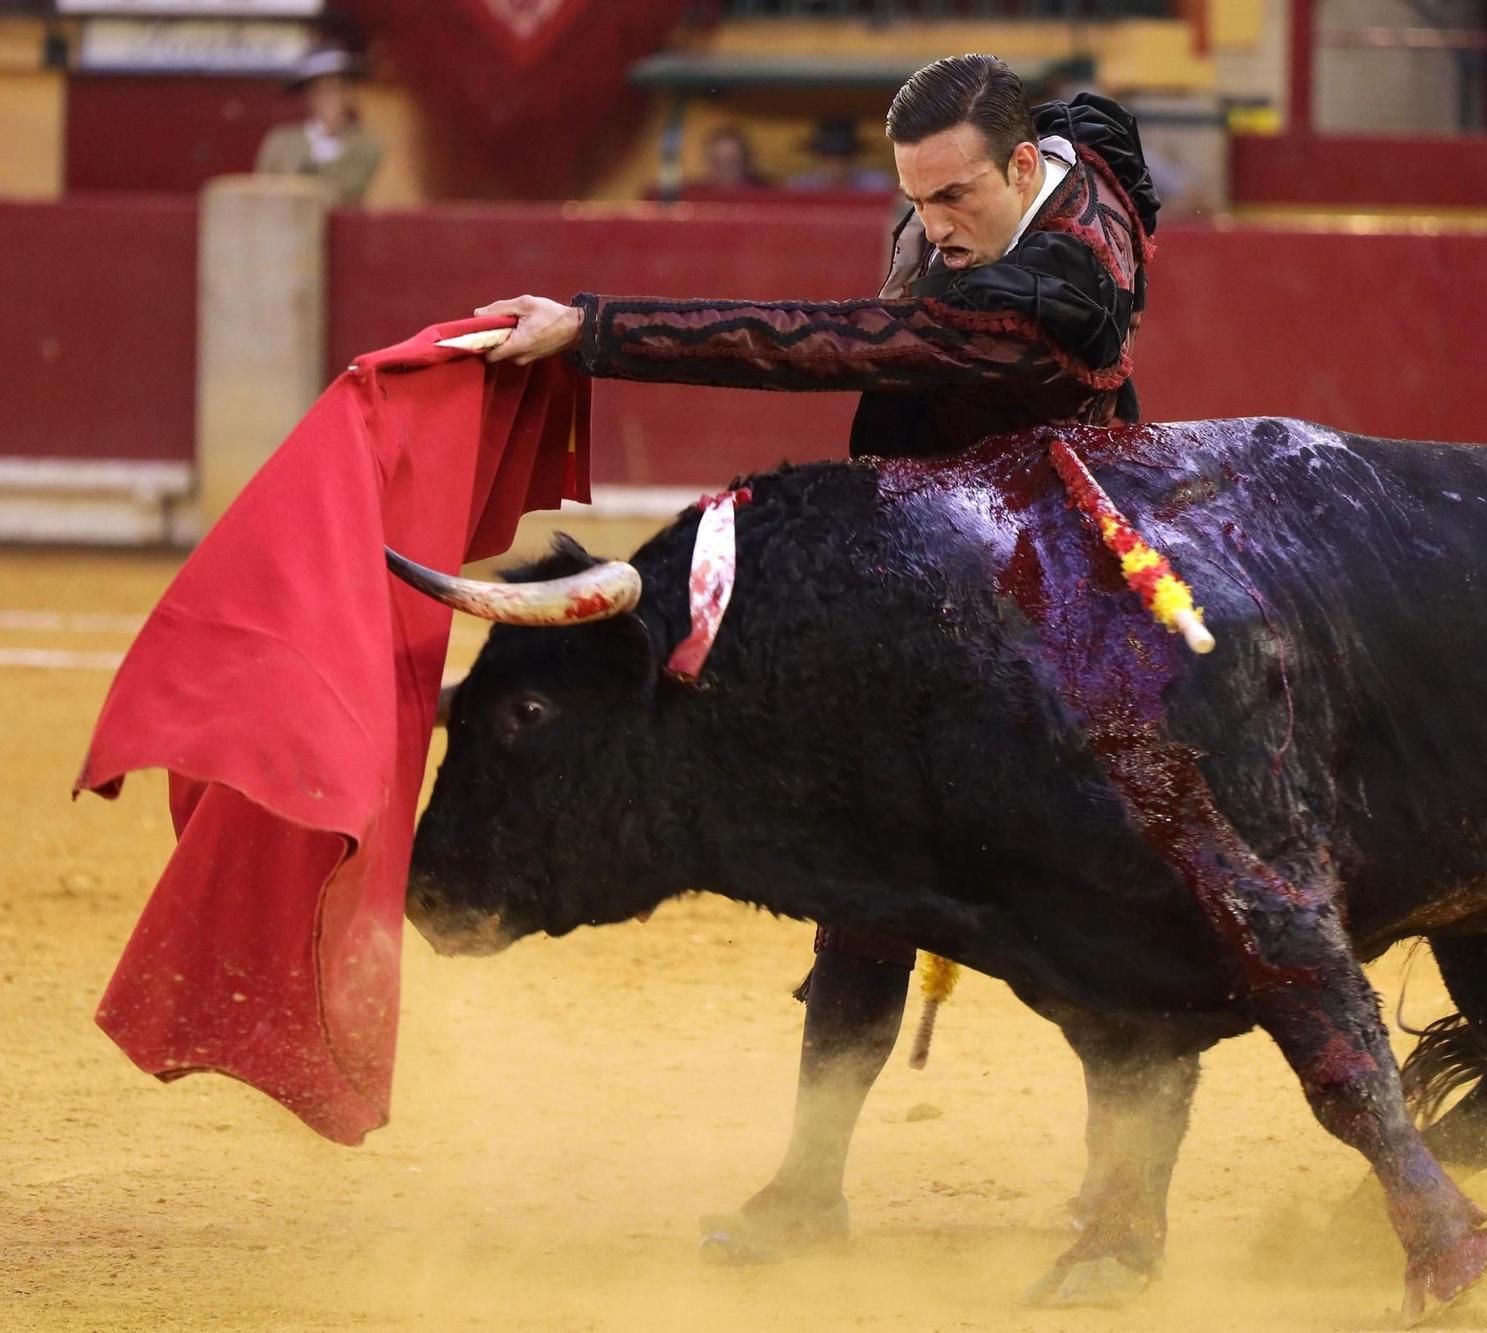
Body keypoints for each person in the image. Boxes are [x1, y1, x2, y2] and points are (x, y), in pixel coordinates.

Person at [473, 52, 1160, 1257]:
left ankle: (1122, 1219)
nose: (932, 225)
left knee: (1104, 902)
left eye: (955, 200)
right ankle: (807, 1190)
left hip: (1056, 595)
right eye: (914, 196)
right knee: (865, 883)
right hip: (944, 567)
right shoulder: (1050, 154)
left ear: (1017, 169)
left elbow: (813, 343)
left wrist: (593, 329)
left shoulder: (1040, 297)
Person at [255, 46, 383, 207]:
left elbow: (347, 192)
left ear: (349, 95)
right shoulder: (281, 141)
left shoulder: (366, 145)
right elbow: (265, 191)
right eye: (320, 90)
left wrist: (329, 138)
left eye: (337, 89)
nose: (329, 98)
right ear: (309, 97)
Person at [789, 117, 896, 192]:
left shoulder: (877, 186)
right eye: (829, 156)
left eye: (843, 155)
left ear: (854, 157)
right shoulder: (802, 188)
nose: (836, 164)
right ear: (819, 158)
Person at [695, 124, 770, 190]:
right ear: (710, 161)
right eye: (719, 161)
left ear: (746, 160)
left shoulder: (766, 192)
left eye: (733, 160)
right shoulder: (693, 195)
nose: (726, 167)